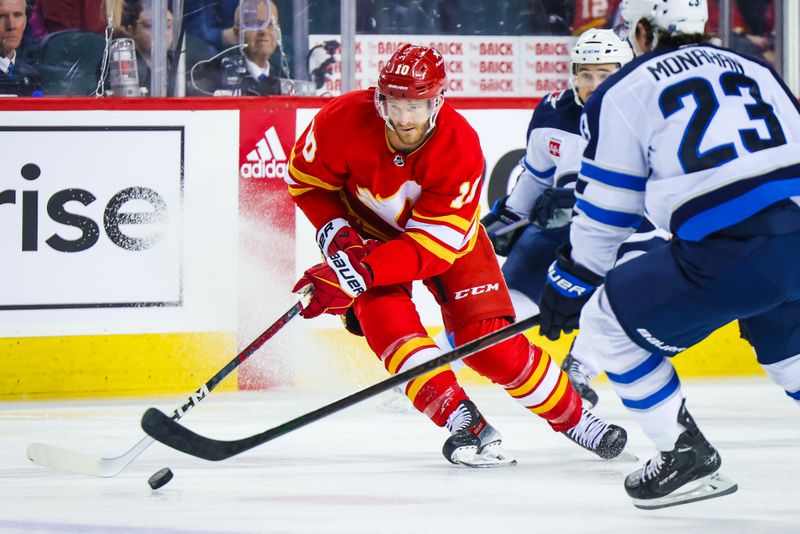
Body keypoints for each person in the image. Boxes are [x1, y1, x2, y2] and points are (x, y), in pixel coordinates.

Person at [285, 43, 631, 468]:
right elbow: (308, 184)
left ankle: (578, 420)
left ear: (437, 101)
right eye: (394, 104)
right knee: (385, 320)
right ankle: (461, 419)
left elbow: (428, 249)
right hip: (368, 238)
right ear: (380, 98)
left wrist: (354, 275)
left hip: (448, 246)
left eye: (417, 106)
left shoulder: (459, 147)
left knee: (488, 345)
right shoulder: (340, 121)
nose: (404, 119)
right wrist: (340, 242)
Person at [539, 0, 800, 509]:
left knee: (605, 323)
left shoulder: (625, 89)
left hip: (733, 247)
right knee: (792, 354)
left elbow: (608, 210)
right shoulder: (756, 69)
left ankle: (685, 456)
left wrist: (574, 280)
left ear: (640, 30)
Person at [482, 28, 670, 408]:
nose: (594, 84)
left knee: (627, 297)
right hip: (558, 233)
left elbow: (662, 192)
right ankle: (429, 366)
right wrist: (509, 220)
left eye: (605, 74)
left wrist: (584, 200)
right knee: (501, 307)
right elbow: (535, 176)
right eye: (586, 74)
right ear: (573, 75)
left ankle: (580, 369)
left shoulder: (651, 115)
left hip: (629, 233)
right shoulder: (554, 111)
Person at [188, 0, 281, 96]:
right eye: (255, 24)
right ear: (237, 32)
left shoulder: (285, 77)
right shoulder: (212, 81)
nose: (264, 31)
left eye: (270, 25)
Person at [118, 0, 173, 92]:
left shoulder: (182, 67)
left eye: (167, 26)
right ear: (131, 30)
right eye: (150, 25)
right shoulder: (121, 65)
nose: (161, 32)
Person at [0, 0, 41, 95]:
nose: (11, 26)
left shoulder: (31, 75)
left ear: (25, 21)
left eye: (17, 15)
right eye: (1, 16)